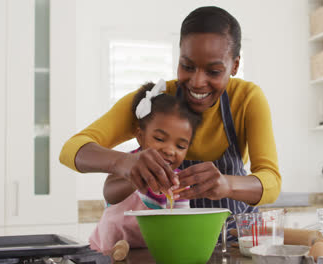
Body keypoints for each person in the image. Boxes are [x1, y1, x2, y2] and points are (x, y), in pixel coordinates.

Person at [59, 6, 281, 240]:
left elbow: (272, 181)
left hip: (234, 239)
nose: (197, 82)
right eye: (187, 66)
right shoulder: (156, 102)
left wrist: (227, 184)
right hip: (172, 244)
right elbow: (71, 149)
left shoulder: (247, 99)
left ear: (235, 65)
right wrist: (122, 162)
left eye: (214, 71)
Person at [89, 80, 201, 254]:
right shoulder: (126, 164)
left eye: (180, 146)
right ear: (141, 136)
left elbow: (181, 224)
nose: (170, 151)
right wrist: (138, 176)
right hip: (107, 253)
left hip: (148, 256)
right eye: (160, 139)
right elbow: (110, 193)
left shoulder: (178, 183)